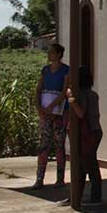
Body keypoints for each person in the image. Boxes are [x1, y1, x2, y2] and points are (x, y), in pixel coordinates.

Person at [58, 65, 103, 208]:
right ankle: (75, 195)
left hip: (87, 133)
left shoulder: (82, 95)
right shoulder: (93, 94)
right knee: (83, 166)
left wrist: (70, 98)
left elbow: (80, 113)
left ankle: (94, 198)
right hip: (94, 132)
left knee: (89, 166)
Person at [30, 43, 69, 189]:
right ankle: (39, 178)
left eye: (52, 52)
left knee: (59, 144)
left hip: (59, 112)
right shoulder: (45, 70)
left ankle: (60, 178)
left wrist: (53, 105)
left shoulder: (66, 70)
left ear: (59, 54)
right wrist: (39, 106)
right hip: (46, 112)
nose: (49, 55)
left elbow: (65, 90)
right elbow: (39, 88)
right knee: (44, 144)